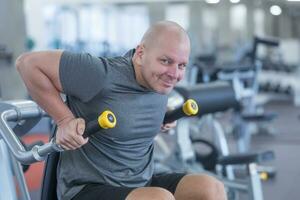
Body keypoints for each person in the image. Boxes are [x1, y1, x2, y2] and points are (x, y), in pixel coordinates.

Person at [16, 21, 227, 200]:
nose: (174, 73)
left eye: (182, 65)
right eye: (166, 61)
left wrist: (160, 119)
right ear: (140, 54)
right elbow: (27, 64)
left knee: (211, 189)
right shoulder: (100, 74)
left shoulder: (159, 84)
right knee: (160, 198)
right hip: (88, 188)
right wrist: (64, 120)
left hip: (141, 181)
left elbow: (129, 108)